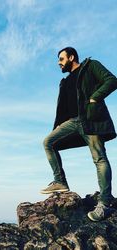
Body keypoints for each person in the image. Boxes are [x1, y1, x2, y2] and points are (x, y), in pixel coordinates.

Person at [41, 47, 117, 221]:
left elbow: (112, 80)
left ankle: (104, 204)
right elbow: (63, 107)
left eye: (61, 59)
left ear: (71, 57)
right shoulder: (65, 81)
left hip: (89, 119)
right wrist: (58, 125)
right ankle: (60, 181)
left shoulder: (90, 66)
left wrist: (95, 98)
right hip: (71, 122)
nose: (58, 63)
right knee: (48, 142)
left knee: (99, 158)